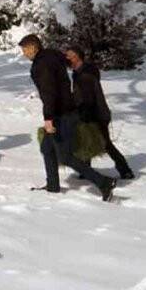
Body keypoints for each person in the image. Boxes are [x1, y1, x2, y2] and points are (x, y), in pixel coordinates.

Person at [18, 34, 115, 201]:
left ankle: (104, 182)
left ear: (33, 47)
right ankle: (53, 186)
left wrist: (48, 118)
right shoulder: (52, 56)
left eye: (25, 49)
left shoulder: (41, 65)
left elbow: (49, 92)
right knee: (47, 148)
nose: (24, 53)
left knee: (65, 156)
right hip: (65, 110)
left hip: (61, 114)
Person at [65, 46, 134, 180]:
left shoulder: (85, 74)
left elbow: (88, 98)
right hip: (89, 112)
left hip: (97, 114)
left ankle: (125, 170)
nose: (66, 58)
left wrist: (82, 112)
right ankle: (86, 170)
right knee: (85, 140)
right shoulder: (78, 73)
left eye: (69, 55)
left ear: (76, 57)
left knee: (105, 144)